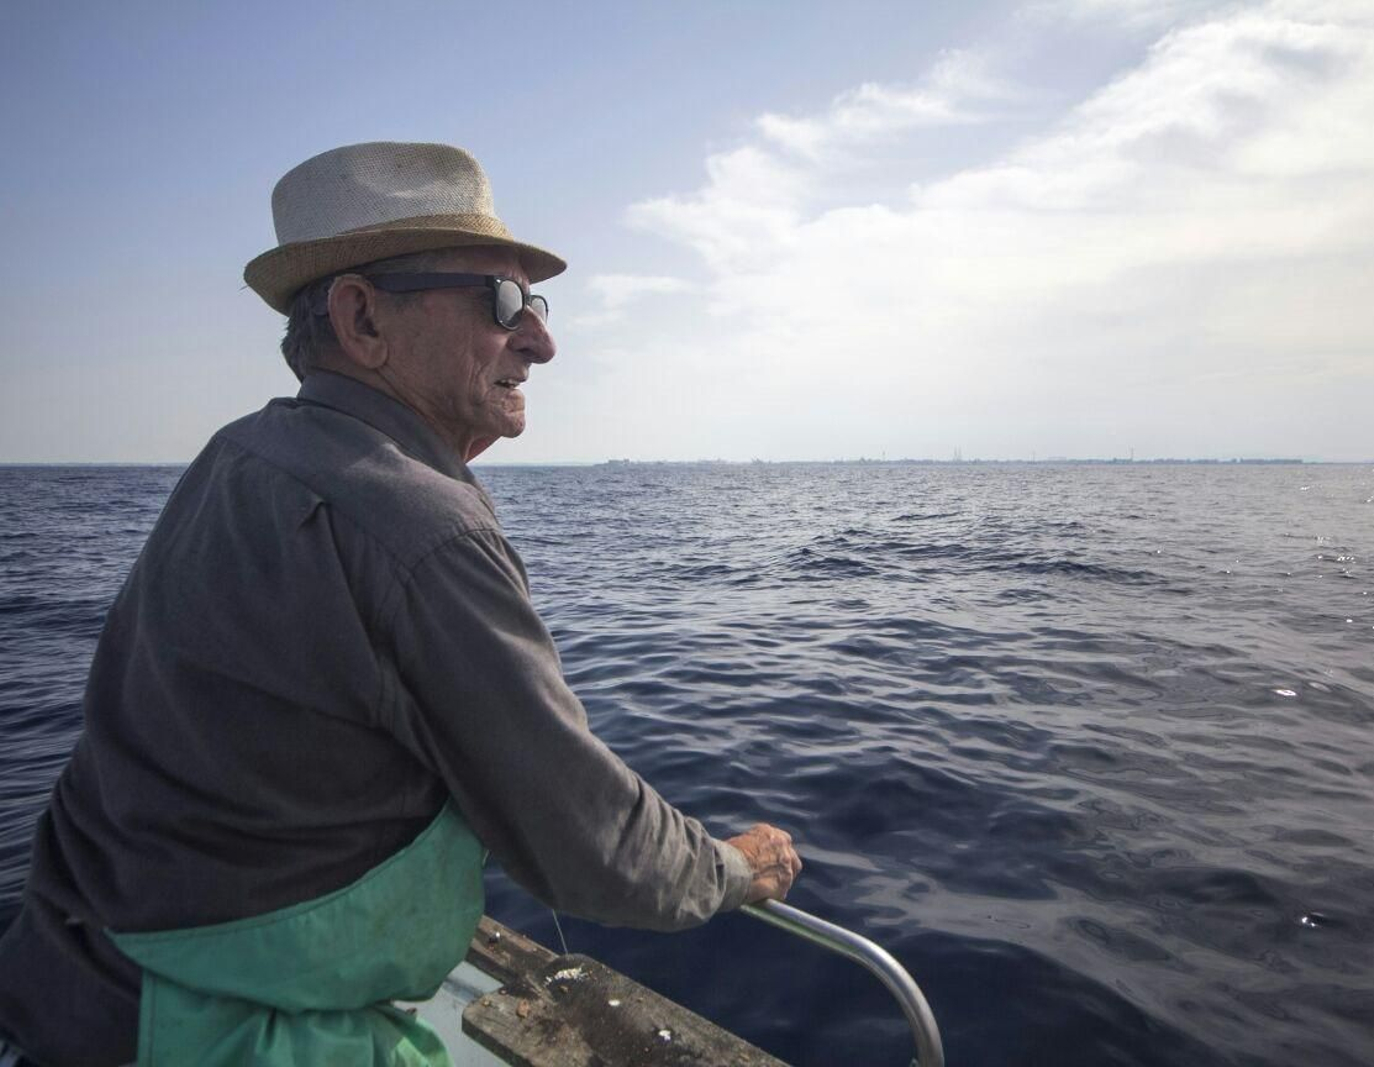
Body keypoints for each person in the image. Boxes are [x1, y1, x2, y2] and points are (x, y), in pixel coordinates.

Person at [0, 142, 801, 1067]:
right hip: (216, 1032)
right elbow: (590, 844)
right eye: (503, 303)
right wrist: (737, 868)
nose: (541, 339)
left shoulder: (238, 454)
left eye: (537, 305)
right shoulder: (421, 527)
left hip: (69, 979)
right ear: (362, 317)